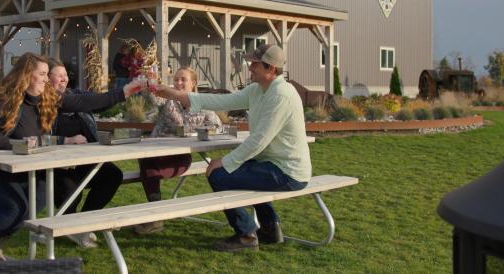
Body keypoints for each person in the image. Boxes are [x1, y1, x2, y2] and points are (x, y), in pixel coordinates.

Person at [0, 52, 144, 260]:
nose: (47, 79)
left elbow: (84, 101)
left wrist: (124, 92)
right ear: (27, 75)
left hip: (13, 169)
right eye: (43, 74)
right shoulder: (3, 99)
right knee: (15, 207)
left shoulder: (46, 98)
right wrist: (14, 145)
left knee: (39, 198)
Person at [152, 44, 311, 251]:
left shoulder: (281, 95)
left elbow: (258, 141)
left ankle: (246, 235)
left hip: (289, 173)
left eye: (255, 64)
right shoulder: (258, 89)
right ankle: (271, 229)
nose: (250, 67)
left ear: (271, 69)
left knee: (218, 175)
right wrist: (171, 93)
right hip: (274, 165)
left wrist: (224, 162)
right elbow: (219, 100)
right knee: (240, 171)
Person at [134, 67, 223, 234]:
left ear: (193, 83)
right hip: (155, 153)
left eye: (183, 79)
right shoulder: (168, 99)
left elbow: (217, 127)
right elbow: (152, 98)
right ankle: (155, 216)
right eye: (176, 79)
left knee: (148, 171)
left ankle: (155, 217)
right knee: (147, 162)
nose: (178, 83)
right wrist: (148, 84)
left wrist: (195, 133)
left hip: (179, 157)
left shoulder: (202, 103)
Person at [47, 59, 124, 249]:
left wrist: (125, 94)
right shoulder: (43, 104)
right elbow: (38, 139)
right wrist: (65, 141)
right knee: (70, 189)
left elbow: (99, 103)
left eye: (65, 75)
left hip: (84, 160)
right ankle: (71, 225)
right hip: (54, 164)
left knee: (112, 175)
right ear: (46, 79)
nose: (64, 79)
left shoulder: (76, 95)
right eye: (59, 75)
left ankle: (84, 223)